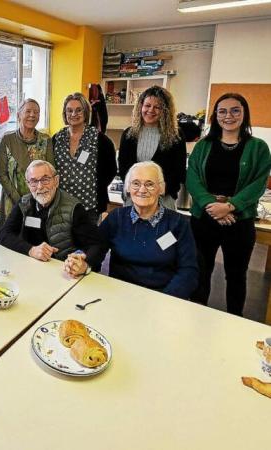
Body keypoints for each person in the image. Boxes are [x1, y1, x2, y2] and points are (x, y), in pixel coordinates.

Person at [186, 92, 271, 316]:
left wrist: (230, 206)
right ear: (215, 115)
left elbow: (258, 183)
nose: (228, 116)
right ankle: (197, 316)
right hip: (204, 218)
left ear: (244, 114)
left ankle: (235, 320)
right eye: (222, 111)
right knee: (201, 271)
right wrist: (210, 205)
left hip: (239, 220)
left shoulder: (258, 148)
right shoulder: (203, 146)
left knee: (236, 275)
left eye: (235, 110)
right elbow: (192, 179)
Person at [99, 162, 198, 299]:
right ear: (128, 188)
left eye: (150, 184)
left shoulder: (178, 224)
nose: (142, 190)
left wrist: (164, 299)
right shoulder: (116, 218)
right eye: (136, 183)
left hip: (162, 297)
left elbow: (188, 270)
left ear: (161, 189)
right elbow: (95, 249)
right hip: (120, 295)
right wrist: (82, 260)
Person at [0, 160, 108, 278]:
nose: (40, 187)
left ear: (56, 181)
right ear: (28, 184)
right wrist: (31, 250)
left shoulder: (73, 208)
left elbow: (98, 245)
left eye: (45, 180)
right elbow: (3, 234)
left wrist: (85, 264)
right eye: (34, 181)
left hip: (63, 271)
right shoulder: (24, 203)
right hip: (31, 267)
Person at [118, 86, 187, 210]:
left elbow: (178, 172)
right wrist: (137, 191)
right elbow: (124, 168)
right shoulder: (129, 134)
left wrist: (157, 192)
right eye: (147, 105)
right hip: (133, 200)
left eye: (157, 107)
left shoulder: (175, 136)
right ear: (140, 107)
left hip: (163, 201)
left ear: (165, 111)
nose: (151, 110)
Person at [52, 92, 117, 224]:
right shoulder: (56, 139)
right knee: (63, 242)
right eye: (69, 110)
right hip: (61, 205)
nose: (73, 114)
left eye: (78, 110)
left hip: (90, 206)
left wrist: (95, 185)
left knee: (88, 243)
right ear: (64, 114)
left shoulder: (100, 140)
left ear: (86, 112)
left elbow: (111, 170)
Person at [0, 98, 54, 236]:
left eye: (36, 112)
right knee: (10, 240)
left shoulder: (46, 140)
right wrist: (20, 200)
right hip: (12, 201)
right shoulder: (7, 140)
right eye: (28, 111)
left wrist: (36, 200)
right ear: (18, 115)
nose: (32, 115)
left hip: (39, 201)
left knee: (34, 241)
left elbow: (51, 171)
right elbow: (2, 174)